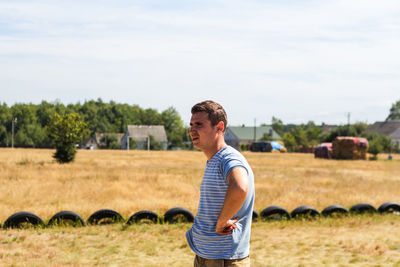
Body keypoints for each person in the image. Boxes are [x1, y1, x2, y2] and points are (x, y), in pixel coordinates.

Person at [186, 100, 255, 267]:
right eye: (191, 125)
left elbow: (240, 187)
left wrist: (222, 222)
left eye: (199, 125)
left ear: (220, 127)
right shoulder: (214, 159)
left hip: (223, 259)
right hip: (208, 256)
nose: (192, 131)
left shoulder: (229, 158)